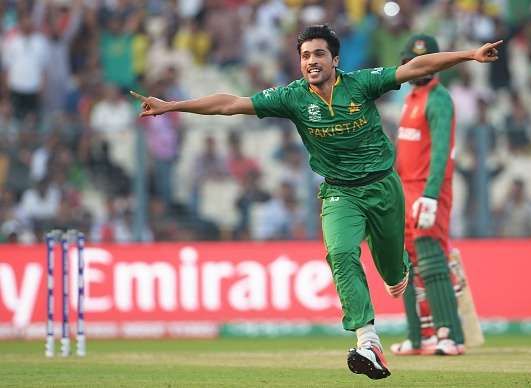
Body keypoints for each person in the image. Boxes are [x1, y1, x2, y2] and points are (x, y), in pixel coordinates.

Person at [131, 25, 501, 380]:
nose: (311, 60)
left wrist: (469, 54)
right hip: (339, 192)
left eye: (319, 54)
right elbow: (230, 104)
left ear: (335, 60)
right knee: (340, 253)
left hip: (383, 187)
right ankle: (368, 341)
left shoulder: (361, 84)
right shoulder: (292, 97)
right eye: (306, 55)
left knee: (393, 273)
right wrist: (172, 105)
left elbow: (416, 67)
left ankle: (397, 268)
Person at [390, 34, 465, 357]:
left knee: (432, 260)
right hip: (404, 190)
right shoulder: (410, 98)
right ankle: (417, 337)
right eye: (411, 61)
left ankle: (449, 335)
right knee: (404, 263)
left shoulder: (439, 99)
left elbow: (441, 152)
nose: (416, 66)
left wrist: (432, 195)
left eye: (422, 60)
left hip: (428, 191)